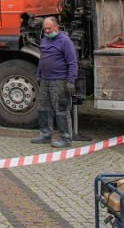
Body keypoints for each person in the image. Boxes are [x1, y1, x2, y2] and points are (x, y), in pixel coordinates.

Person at [31, 17, 78, 149]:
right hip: (45, 80)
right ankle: (45, 135)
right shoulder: (44, 40)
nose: (46, 30)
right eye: (45, 28)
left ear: (56, 27)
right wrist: (39, 75)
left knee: (61, 110)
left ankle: (66, 138)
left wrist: (71, 81)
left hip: (60, 81)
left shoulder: (65, 42)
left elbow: (72, 63)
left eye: (49, 28)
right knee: (43, 108)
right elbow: (42, 59)